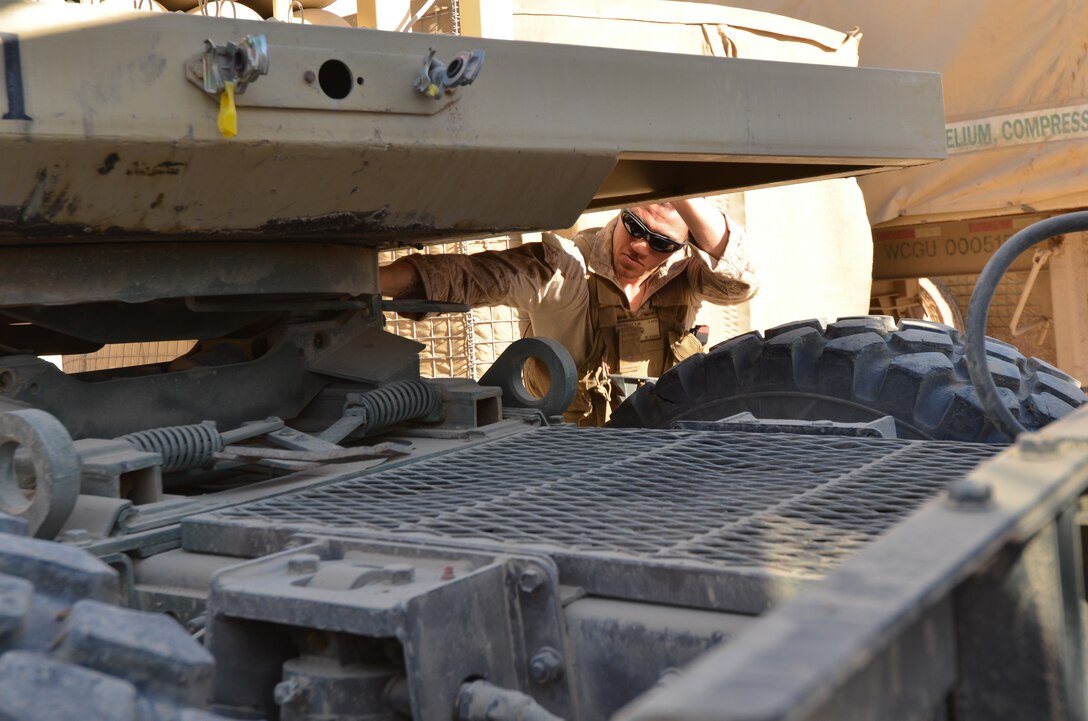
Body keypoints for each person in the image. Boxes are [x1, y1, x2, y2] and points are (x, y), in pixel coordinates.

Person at [379, 197, 758, 425]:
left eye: (660, 242)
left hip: (659, 446)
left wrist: (682, 194)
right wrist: (373, 281)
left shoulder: (688, 275)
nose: (640, 247)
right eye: (634, 225)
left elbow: (742, 282)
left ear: (681, 247)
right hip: (569, 452)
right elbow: (477, 277)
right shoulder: (569, 268)